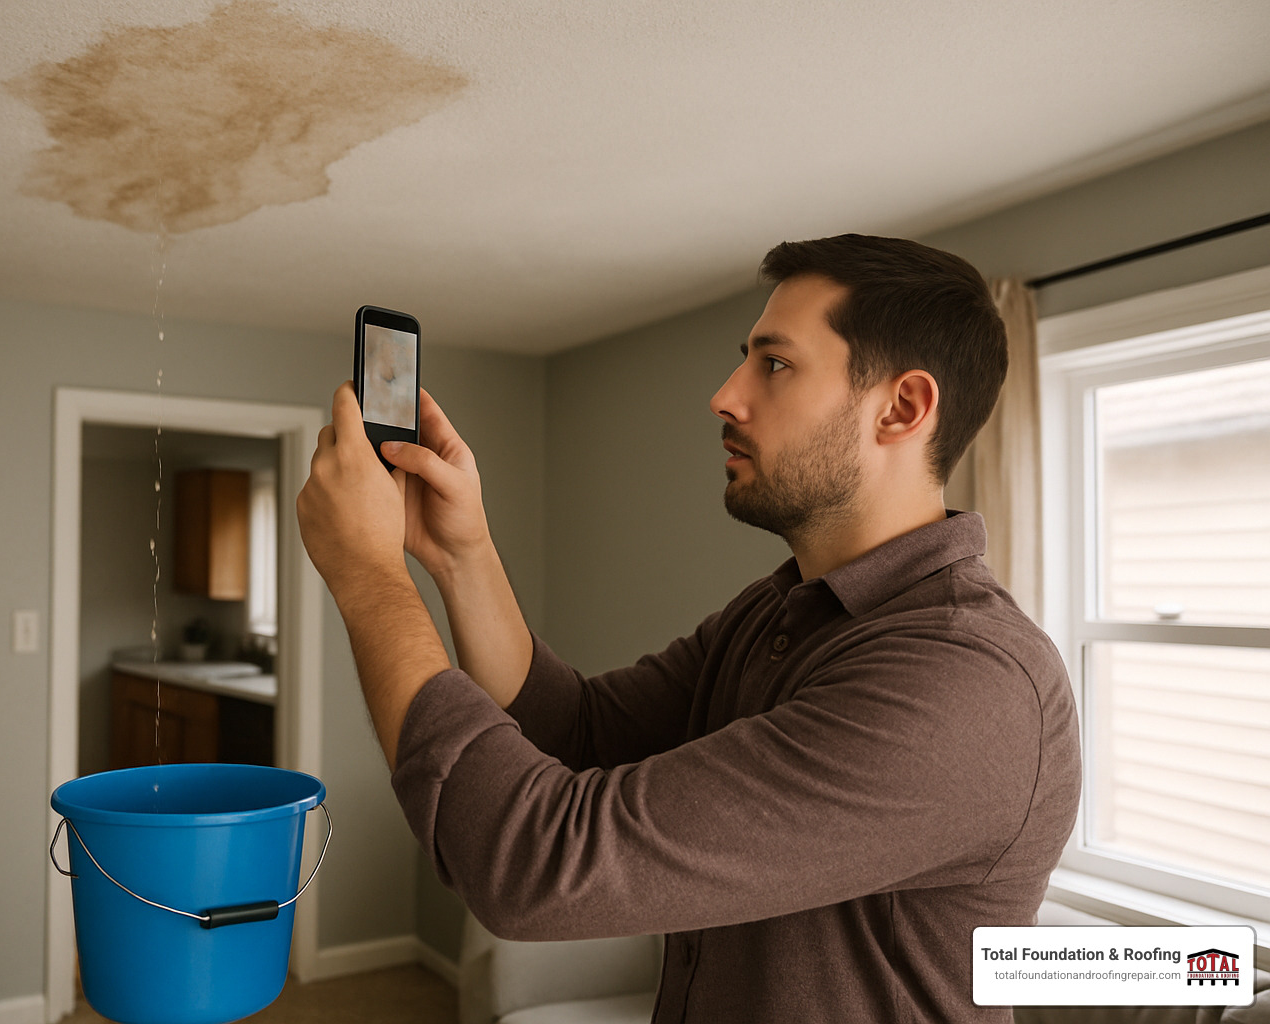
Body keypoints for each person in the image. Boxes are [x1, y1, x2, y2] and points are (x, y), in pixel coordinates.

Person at [296, 234, 1081, 1023]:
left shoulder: (963, 684)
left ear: (902, 408)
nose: (725, 394)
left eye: (774, 364)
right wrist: (461, 554)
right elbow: (576, 731)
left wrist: (368, 578)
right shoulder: (778, 612)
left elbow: (533, 865)